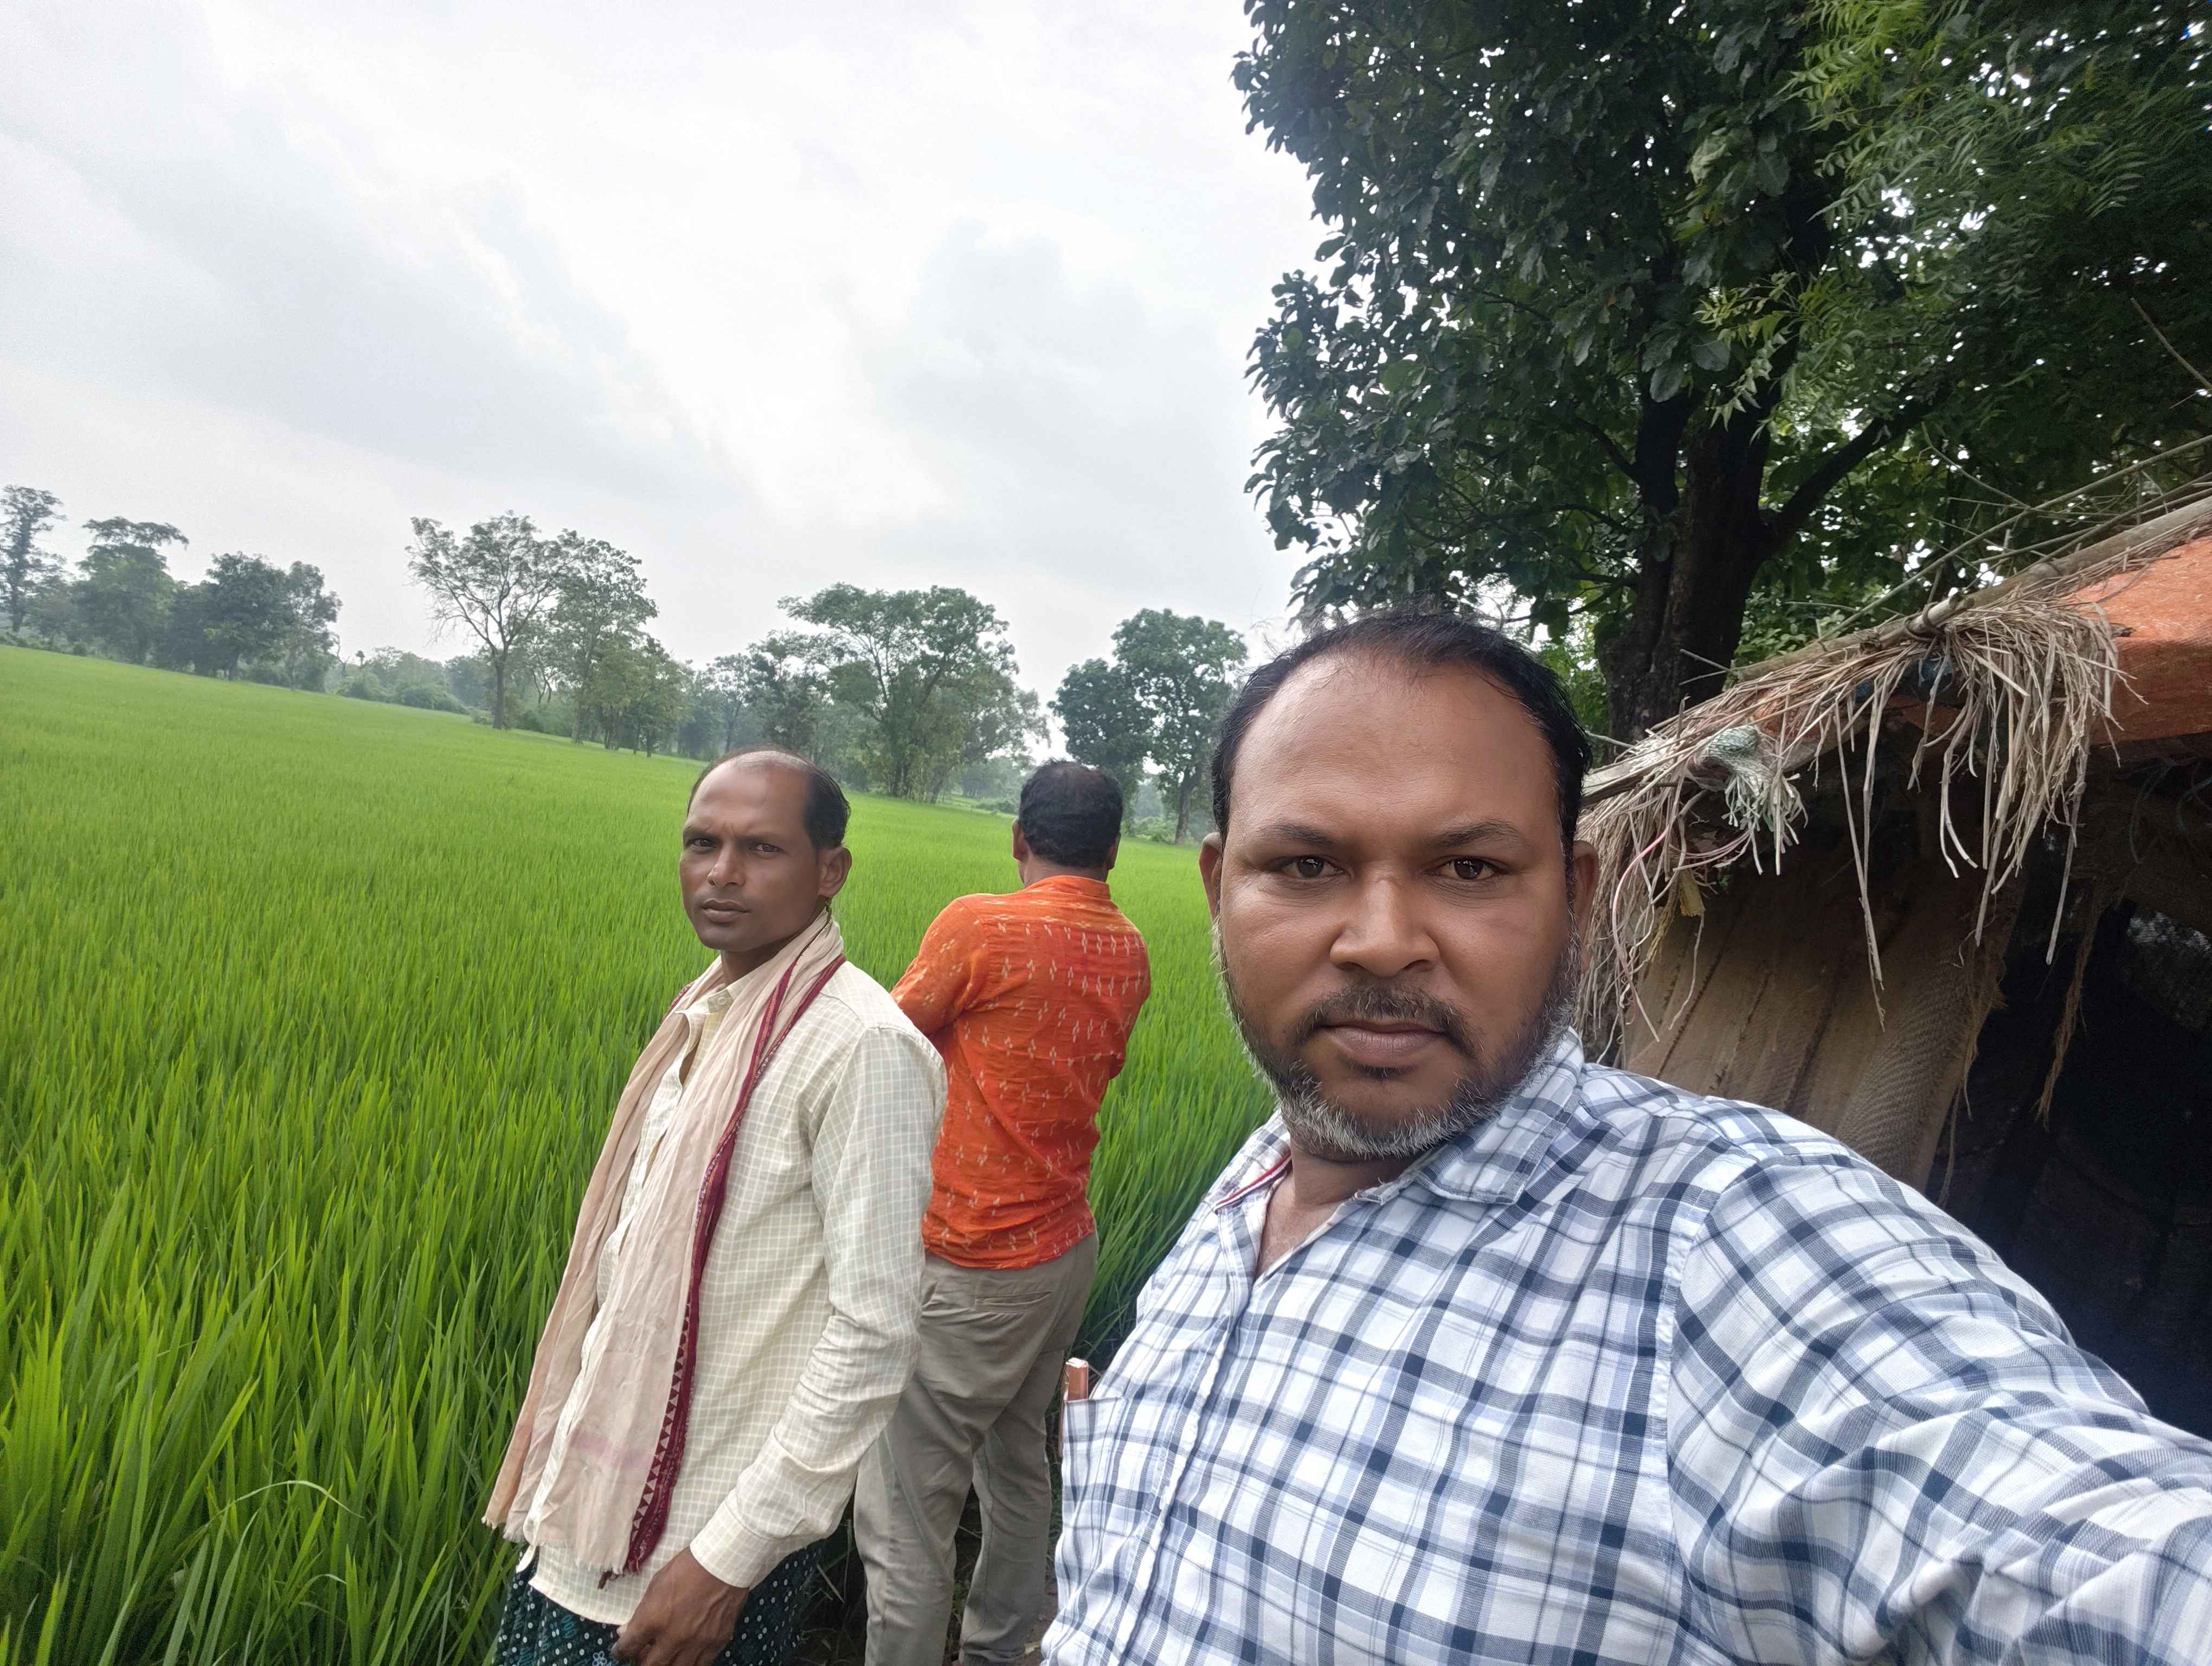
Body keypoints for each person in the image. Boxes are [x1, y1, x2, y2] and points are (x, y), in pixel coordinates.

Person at [1044, 612, 2212, 1665]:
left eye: (1469, 868)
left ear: (1579, 898)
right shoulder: (1253, 1185)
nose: (1383, 940)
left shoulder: (1731, 1239)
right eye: (1306, 866)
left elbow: (2104, 1556)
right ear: (1220, 890)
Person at [484, 747, 945, 1666]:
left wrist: (728, 1561)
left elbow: (873, 1333)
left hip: (699, 1549)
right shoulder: (707, 1013)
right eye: (702, 843)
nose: (722, 874)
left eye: (762, 849)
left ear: (831, 871)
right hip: (590, 1515)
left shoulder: (861, 1047)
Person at [856, 761, 1152, 1666]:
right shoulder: (1130, 947)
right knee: (1019, 1459)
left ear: (1019, 838)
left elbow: (884, 1042)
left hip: (971, 1262)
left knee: (907, 1507)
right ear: (1113, 850)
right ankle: (1000, 1651)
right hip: (1063, 1251)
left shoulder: (980, 925)